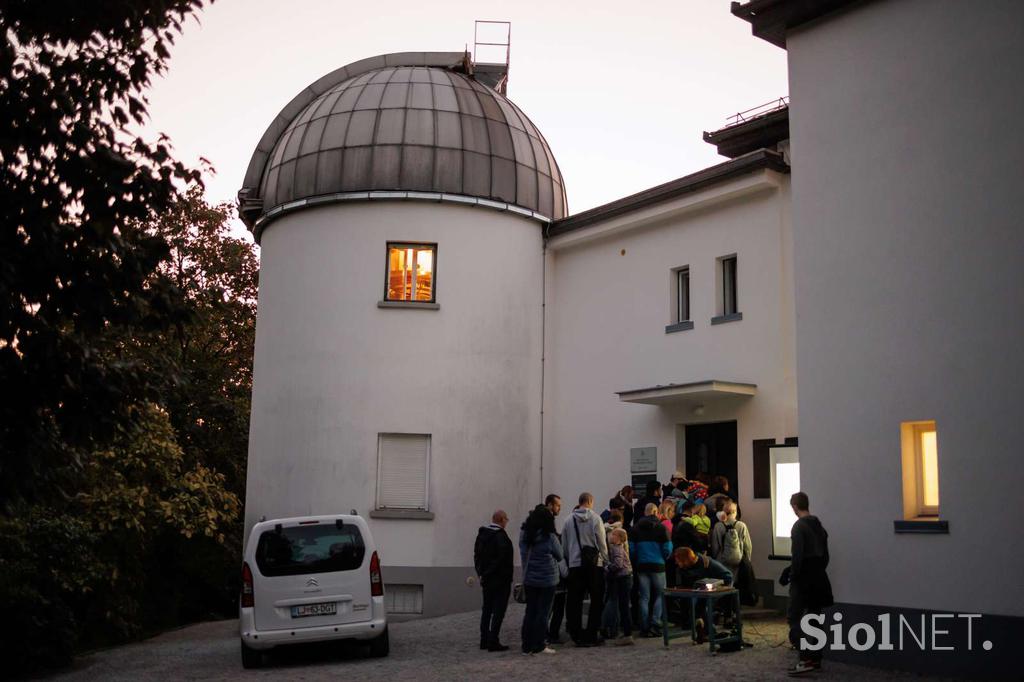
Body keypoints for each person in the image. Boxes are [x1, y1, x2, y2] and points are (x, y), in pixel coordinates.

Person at [784, 492, 832, 676]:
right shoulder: (819, 526)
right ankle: (816, 658)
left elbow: (797, 557)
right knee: (815, 618)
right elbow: (826, 556)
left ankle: (805, 659)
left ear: (795, 506)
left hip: (803, 579)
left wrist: (793, 575)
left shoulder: (798, 527)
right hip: (818, 577)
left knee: (794, 618)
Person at [562, 492, 609, 647]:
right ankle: (592, 633)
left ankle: (576, 634)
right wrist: (606, 560)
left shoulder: (568, 520)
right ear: (590, 501)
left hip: (575, 565)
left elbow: (565, 544)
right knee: (596, 600)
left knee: (574, 600)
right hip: (594, 565)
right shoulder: (596, 518)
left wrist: (569, 561)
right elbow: (601, 541)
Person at [519, 495, 564, 656]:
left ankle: (526, 645)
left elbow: (524, 553)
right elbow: (560, 555)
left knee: (530, 611)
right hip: (548, 579)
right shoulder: (549, 536)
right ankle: (539, 644)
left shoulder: (524, 535)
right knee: (543, 613)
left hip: (530, 578)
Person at [631, 502, 672, 637]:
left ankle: (644, 626)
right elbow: (667, 548)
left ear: (645, 512)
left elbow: (631, 549)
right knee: (660, 595)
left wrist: (636, 559)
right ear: (655, 512)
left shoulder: (635, 528)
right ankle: (655, 623)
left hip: (642, 566)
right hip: (658, 565)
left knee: (644, 597)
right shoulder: (661, 528)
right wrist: (664, 558)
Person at [474, 509, 514, 651]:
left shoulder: (482, 535)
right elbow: (502, 559)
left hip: (486, 579)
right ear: (502, 520)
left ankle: (484, 640)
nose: (507, 522)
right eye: (506, 519)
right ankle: (493, 640)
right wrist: (491, 572)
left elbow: (477, 556)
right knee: (498, 611)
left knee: (487, 609)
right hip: (500, 579)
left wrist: (481, 573)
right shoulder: (501, 537)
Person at [601, 528, 634, 644]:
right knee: (623, 606)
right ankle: (626, 633)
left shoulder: (616, 548)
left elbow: (618, 564)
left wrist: (607, 566)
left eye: (613, 535)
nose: (611, 536)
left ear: (619, 538)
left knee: (624, 606)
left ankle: (627, 634)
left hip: (623, 578)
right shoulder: (621, 547)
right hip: (626, 577)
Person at [709, 500, 752, 575]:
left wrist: (716, 558)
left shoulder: (718, 526)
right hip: (738, 561)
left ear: (724, 512)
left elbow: (715, 547)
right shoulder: (741, 525)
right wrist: (747, 561)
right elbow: (748, 546)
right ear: (735, 512)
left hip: (721, 562)